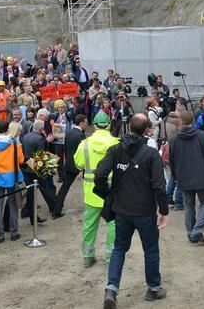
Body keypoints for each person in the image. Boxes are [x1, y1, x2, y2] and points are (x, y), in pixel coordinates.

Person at [94, 114, 168, 308]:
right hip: (144, 210)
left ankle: (111, 289)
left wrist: (106, 193)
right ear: (146, 130)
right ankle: (153, 287)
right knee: (150, 249)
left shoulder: (116, 149)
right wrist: (164, 210)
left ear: (129, 128)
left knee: (119, 248)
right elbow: (159, 185)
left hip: (122, 209)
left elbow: (100, 173)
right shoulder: (151, 154)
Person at [73, 112, 120, 268]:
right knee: (113, 224)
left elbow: (79, 164)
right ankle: (111, 257)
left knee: (89, 224)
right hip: (112, 191)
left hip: (91, 192)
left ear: (94, 125)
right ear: (108, 125)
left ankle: (88, 256)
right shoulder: (117, 143)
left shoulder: (84, 144)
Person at [169, 111, 204, 245]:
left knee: (189, 205)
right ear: (192, 121)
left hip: (184, 177)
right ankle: (196, 232)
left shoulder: (174, 139)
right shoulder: (202, 136)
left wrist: (175, 177)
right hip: (203, 176)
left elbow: (172, 161)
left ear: (180, 122)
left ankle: (193, 232)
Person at [0, 120, 25, 244]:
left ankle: (0, 235)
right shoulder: (15, 144)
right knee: (12, 204)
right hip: (12, 176)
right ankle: (14, 232)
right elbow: (21, 160)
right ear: (8, 129)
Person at [53, 113, 88, 218]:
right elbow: (84, 153)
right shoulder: (81, 136)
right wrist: (82, 170)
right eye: (86, 122)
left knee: (64, 188)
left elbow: (65, 150)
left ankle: (56, 210)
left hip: (68, 164)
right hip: (79, 165)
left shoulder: (68, 133)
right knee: (91, 185)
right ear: (81, 123)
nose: (87, 124)